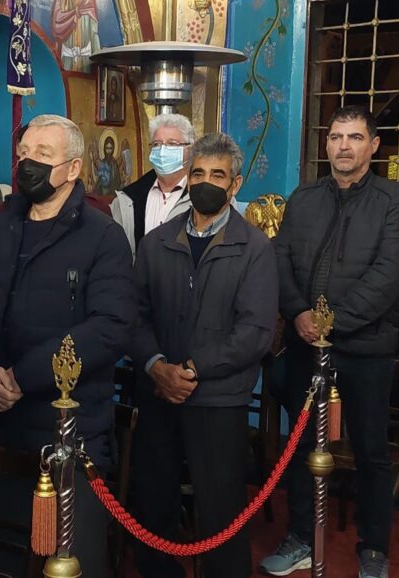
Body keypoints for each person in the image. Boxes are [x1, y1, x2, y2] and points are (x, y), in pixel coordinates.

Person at [0, 114, 134, 577]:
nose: (28, 164)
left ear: (73, 168)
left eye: (43, 155)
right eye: (24, 153)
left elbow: (110, 327)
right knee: (4, 554)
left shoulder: (102, 237)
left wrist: (23, 376)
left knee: (72, 559)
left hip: (69, 428)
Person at [260, 105, 399, 578]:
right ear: (326, 144)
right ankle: (301, 536)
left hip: (366, 349)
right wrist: (298, 313)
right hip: (306, 344)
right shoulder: (304, 197)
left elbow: (389, 275)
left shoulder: (395, 201)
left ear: (374, 146)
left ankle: (374, 549)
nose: (344, 146)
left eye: (355, 137)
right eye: (336, 137)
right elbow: (280, 260)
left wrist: (334, 323)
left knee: (370, 451)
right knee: (303, 443)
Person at [132, 133, 278, 578]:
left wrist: (193, 369)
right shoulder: (157, 242)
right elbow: (133, 317)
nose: (206, 183)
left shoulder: (255, 248)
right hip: (159, 392)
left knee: (221, 513)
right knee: (152, 505)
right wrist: (157, 366)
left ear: (235, 185)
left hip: (218, 399)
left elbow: (254, 332)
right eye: (198, 174)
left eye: (218, 175)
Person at [111, 113, 195, 258]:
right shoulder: (127, 199)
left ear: (189, 149)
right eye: (157, 144)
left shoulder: (202, 196)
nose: (162, 151)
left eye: (171, 144)